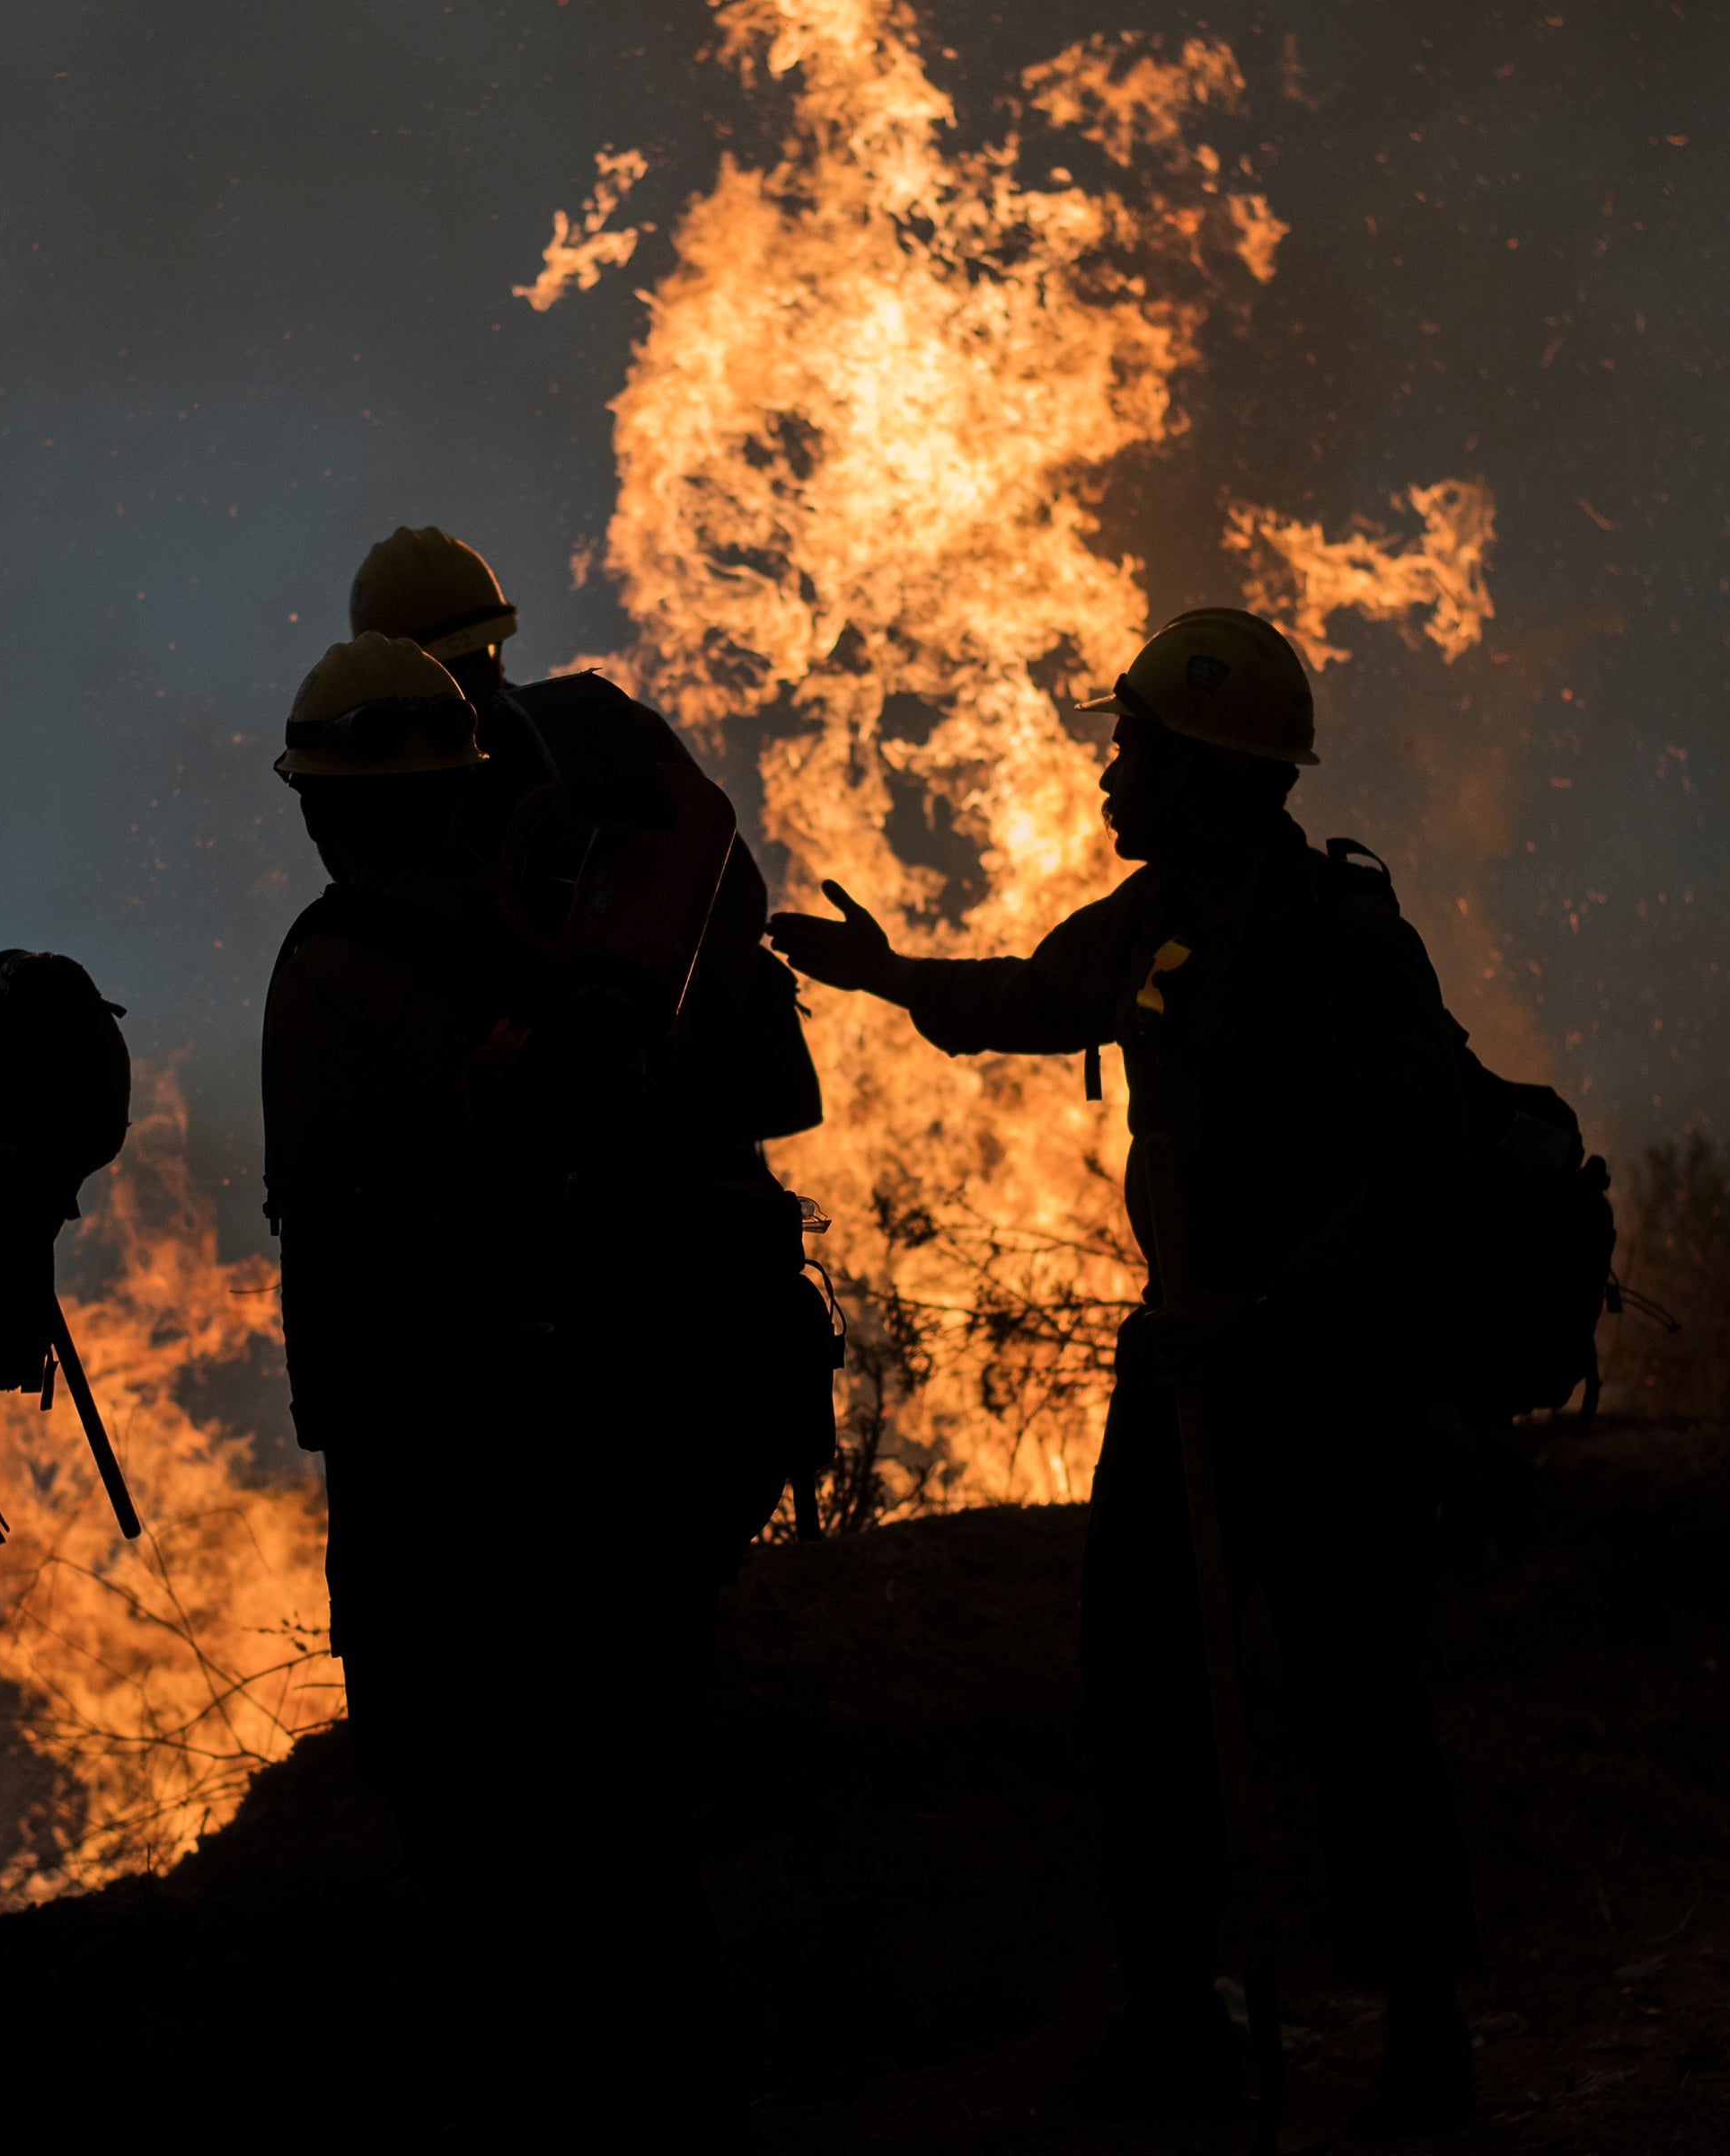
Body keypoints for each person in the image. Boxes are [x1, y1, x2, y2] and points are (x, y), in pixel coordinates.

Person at [766, 607, 1487, 2136]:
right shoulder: (1158, 924)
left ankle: (1425, 2035)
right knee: (1146, 1689)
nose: (1110, 772)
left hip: (1328, 1390)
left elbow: (1428, 1171)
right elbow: (1036, 999)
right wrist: (895, 981)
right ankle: (1174, 2018)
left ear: (1209, 772)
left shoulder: (1347, 946)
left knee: (1359, 1702)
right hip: (1188, 1385)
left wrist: (1279, 1314)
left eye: (1136, 748)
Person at [259, 632, 746, 2146]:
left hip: (433, 1457)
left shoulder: (337, 968)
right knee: (617, 1811)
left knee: (471, 1820)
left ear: (330, 802)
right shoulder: (554, 938)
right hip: (595, 1436)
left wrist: (347, 1407)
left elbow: (345, 1233)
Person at [345, 524, 833, 1572]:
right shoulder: (602, 727)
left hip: (576, 1206)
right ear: (495, 638)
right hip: (695, 1171)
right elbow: (731, 894)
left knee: (589, 1522)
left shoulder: (446, 799)